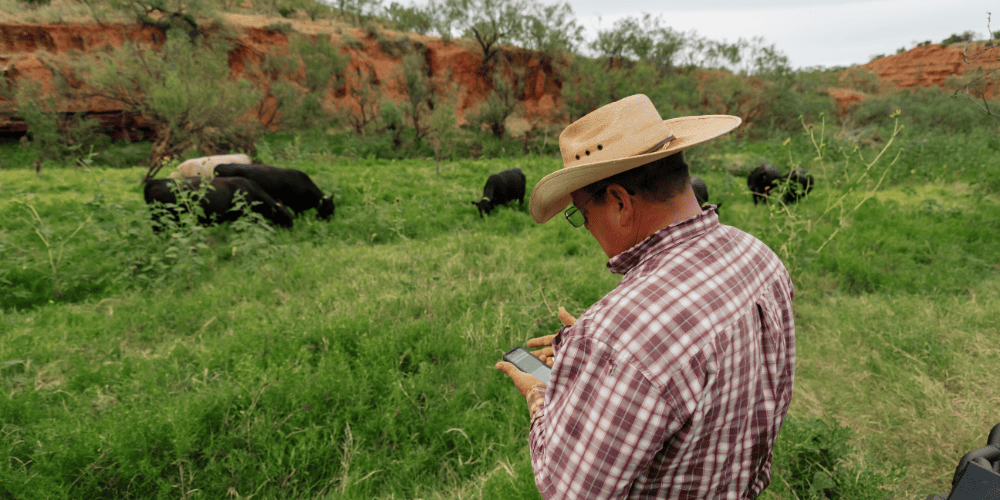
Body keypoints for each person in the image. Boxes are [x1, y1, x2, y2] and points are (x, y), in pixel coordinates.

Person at [495, 94, 796, 499]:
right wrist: (596, 358)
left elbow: (569, 492)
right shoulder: (761, 258)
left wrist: (542, 396)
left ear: (619, 202)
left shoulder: (619, 337)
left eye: (581, 214)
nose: (585, 227)